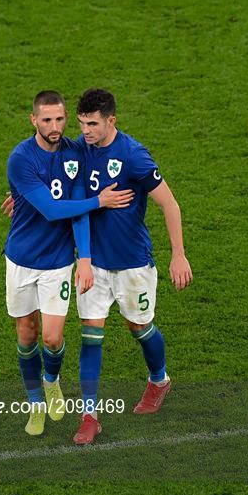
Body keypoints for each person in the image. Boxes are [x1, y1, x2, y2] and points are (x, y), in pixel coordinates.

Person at [4, 90, 134, 437]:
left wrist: (84, 255)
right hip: (20, 259)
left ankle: (51, 382)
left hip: (59, 262)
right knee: (27, 333)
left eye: (60, 119)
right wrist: (98, 202)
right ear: (33, 120)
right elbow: (50, 209)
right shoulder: (20, 159)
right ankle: (35, 405)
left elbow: (101, 170)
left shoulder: (76, 153)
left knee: (51, 338)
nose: (55, 126)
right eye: (46, 120)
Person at [72, 88, 193, 444]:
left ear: (112, 120)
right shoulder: (79, 149)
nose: (86, 131)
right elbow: (53, 180)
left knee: (140, 328)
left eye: (92, 124)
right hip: (91, 263)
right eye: (81, 123)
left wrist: (179, 254)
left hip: (132, 264)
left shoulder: (133, 156)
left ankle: (159, 380)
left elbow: (170, 205)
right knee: (90, 336)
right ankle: (89, 417)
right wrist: (22, 200)